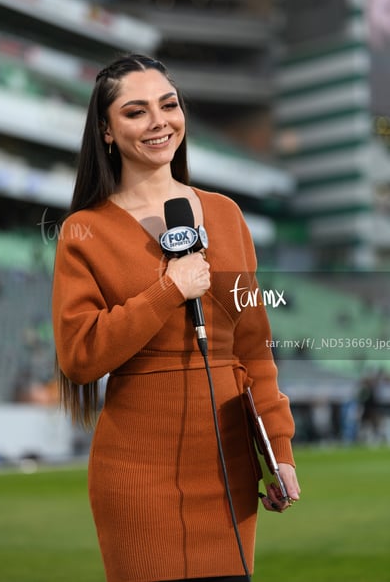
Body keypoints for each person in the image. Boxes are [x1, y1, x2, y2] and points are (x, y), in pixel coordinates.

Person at [52, 53, 300, 582]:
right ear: (108, 131)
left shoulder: (228, 215)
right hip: (136, 473)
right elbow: (79, 358)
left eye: (168, 104)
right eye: (136, 111)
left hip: (228, 466)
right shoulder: (83, 230)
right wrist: (168, 290)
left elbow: (254, 347)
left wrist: (278, 450)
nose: (159, 121)